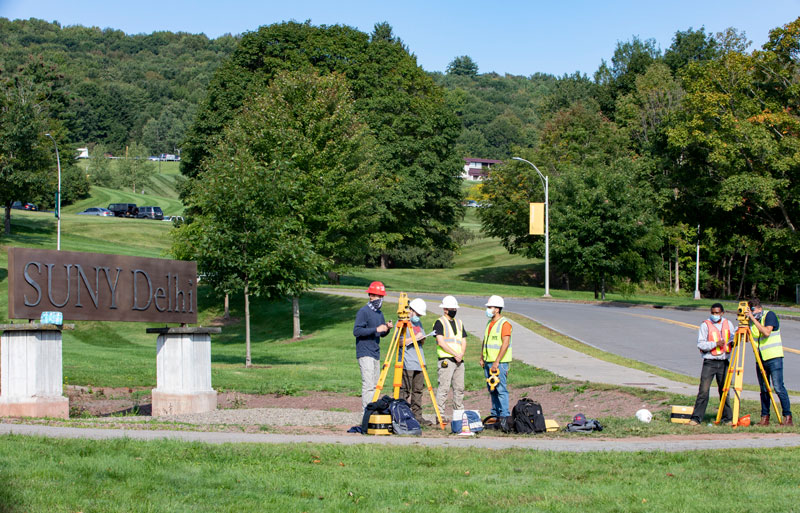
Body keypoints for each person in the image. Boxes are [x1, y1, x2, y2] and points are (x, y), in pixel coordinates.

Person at [747, 298, 792, 426]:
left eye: (752, 310)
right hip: (760, 358)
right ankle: (764, 417)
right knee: (764, 389)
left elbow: (766, 332)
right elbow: (747, 339)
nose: (752, 313)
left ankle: (788, 417)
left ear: (758, 308)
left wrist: (753, 319)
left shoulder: (769, 315)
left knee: (778, 387)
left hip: (774, 357)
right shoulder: (752, 322)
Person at [688, 303, 734, 426]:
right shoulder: (705, 325)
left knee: (724, 391)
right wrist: (715, 344)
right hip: (710, 362)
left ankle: (727, 418)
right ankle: (696, 418)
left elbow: (733, 339)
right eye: (713, 313)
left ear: (722, 313)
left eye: (717, 313)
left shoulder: (728, 324)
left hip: (724, 361)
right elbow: (701, 344)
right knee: (703, 390)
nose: (715, 315)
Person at [353, 281, 393, 410]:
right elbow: (357, 331)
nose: (380, 299)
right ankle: (367, 413)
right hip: (365, 351)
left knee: (376, 385)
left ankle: (374, 410)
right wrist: (376, 329)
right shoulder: (363, 312)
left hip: (376, 352)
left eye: (381, 297)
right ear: (371, 296)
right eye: (377, 296)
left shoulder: (379, 313)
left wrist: (387, 328)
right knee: (369, 385)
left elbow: (381, 334)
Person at [399, 298, 433, 425]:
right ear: (411, 310)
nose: (418, 317)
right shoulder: (402, 323)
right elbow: (399, 342)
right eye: (417, 314)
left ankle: (417, 416)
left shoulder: (419, 324)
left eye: (420, 315)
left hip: (419, 362)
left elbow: (421, 340)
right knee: (405, 390)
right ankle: (401, 415)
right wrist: (413, 339)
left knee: (418, 391)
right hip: (407, 362)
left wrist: (422, 338)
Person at [433, 295, 467, 420]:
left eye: (455, 308)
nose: (454, 310)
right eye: (452, 308)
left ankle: (459, 414)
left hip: (459, 360)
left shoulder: (459, 322)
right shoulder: (439, 322)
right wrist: (455, 354)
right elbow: (441, 342)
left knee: (459, 389)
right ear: (445, 309)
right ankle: (440, 415)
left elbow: (463, 340)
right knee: (444, 388)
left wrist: (461, 354)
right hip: (446, 360)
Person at [480, 295, 513, 422]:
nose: (488, 309)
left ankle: (504, 416)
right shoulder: (490, 323)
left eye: (490, 307)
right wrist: (482, 357)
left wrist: (497, 361)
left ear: (497, 309)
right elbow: (485, 341)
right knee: (492, 389)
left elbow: (505, 343)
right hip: (488, 362)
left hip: (499, 363)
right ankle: (495, 415)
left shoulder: (504, 324)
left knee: (501, 389)